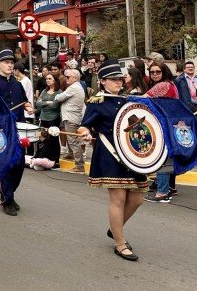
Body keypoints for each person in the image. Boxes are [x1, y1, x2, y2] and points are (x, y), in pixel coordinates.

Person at [80, 60, 146, 261]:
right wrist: (84, 133)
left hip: (131, 154)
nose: (119, 82)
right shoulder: (97, 102)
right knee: (118, 199)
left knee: (137, 199)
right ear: (102, 81)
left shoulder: (127, 101)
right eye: (114, 79)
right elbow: (85, 126)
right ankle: (120, 243)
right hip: (110, 154)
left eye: (120, 78)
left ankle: (114, 229)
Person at [0, 49, 33, 216]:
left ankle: (10, 193)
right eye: (6, 62)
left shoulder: (17, 83)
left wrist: (28, 106)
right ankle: (7, 199)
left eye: (11, 62)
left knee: (19, 164)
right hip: (1, 130)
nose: (10, 65)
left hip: (18, 127)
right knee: (6, 165)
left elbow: (24, 101)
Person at [144, 62, 180, 203]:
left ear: (164, 72)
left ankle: (162, 192)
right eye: (152, 72)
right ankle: (168, 188)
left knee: (163, 159)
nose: (154, 74)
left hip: (163, 124)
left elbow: (142, 98)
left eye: (157, 71)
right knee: (167, 158)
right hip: (170, 123)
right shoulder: (171, 84)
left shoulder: (162, 85)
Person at [54, 68, 87, 172]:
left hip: (71, 118)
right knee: (72, 140)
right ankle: (72, 156)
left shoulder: (73, 87)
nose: (66, 78)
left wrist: (57, 96)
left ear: (75, 78)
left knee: (73, 141)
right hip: (73, 117)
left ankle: (79, 166)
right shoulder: (77, 87)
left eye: (68, 77)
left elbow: (59, 97)